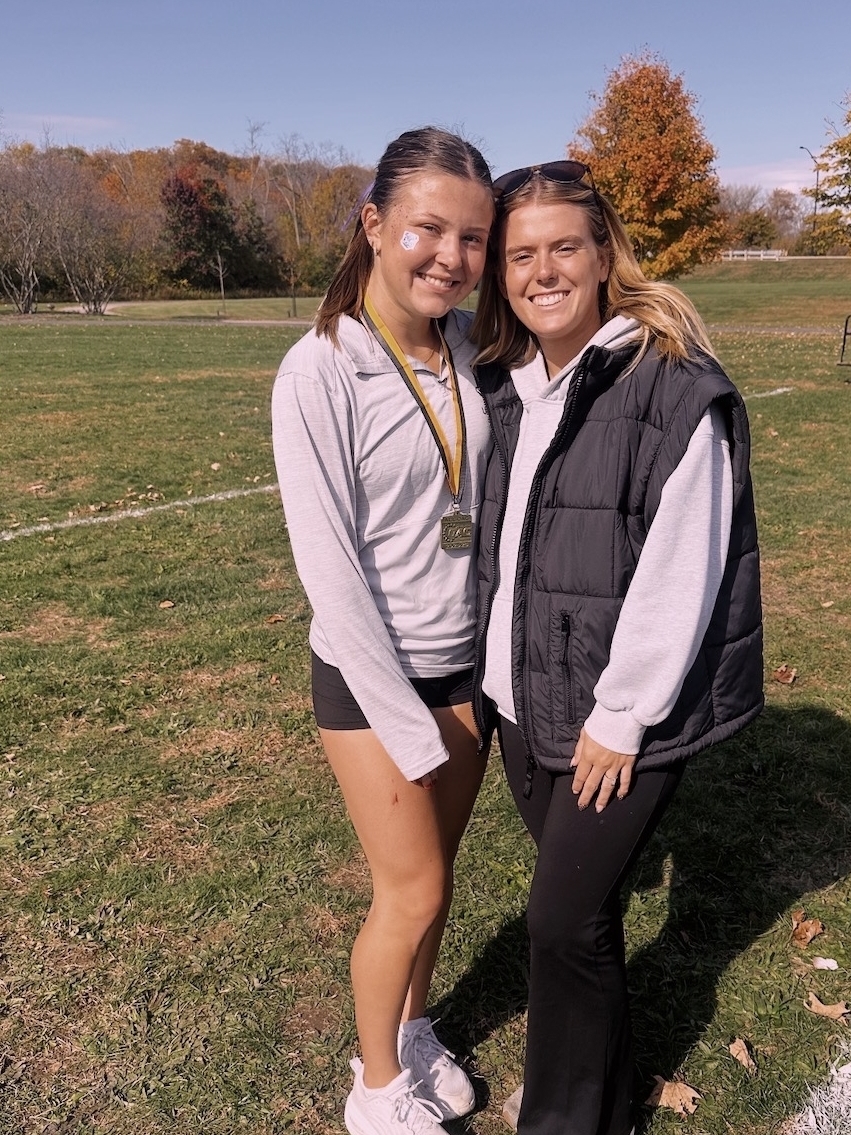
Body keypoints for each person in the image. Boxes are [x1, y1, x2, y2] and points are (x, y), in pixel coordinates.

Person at [470, 161, 764, 1135]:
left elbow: (685, 568)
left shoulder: (671, 385)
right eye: (520, 254)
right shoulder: (504, 383)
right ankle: (601, 1092)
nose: (542, 270)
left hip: (614, 719)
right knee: (583, 917)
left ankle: (567, 1117)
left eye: (563, 246)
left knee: (558, 919)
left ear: (604, 256)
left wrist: (623, 714)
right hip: (522, 702)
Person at [271, 127, 495, 1135]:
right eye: (427, 229)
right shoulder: (320, 371)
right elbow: (329, 574)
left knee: (437, 889)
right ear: (373, 223)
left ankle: (411, 1031)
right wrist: (407, 724)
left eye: (472, 238)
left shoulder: (468, 349)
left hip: (463, 669)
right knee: (409, 890)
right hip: (374, 682)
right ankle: (375, 1092)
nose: (450, 256)